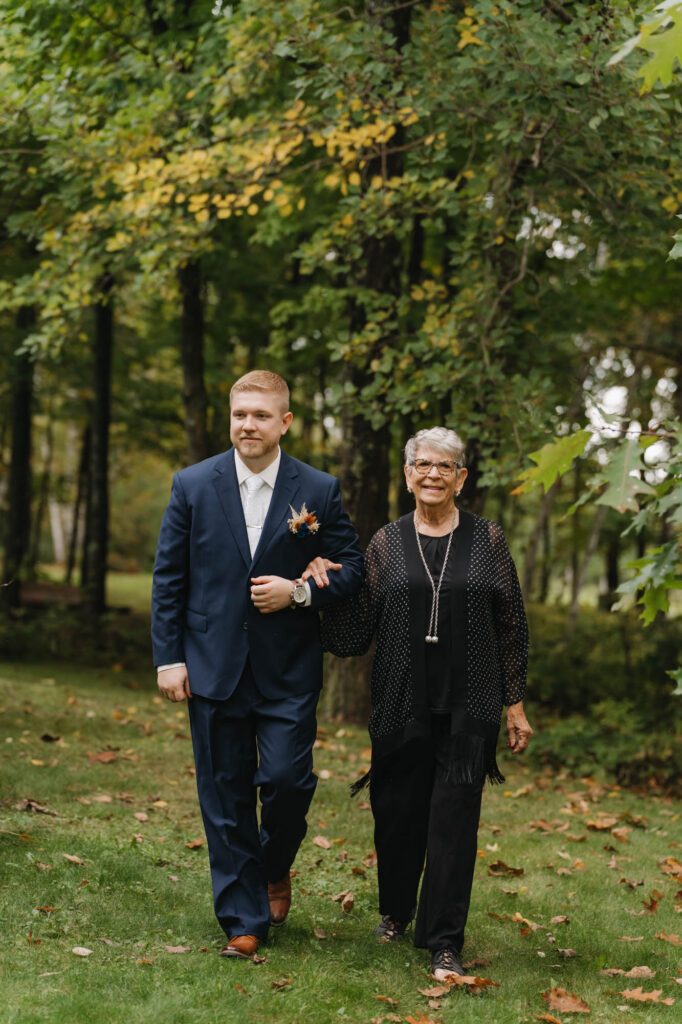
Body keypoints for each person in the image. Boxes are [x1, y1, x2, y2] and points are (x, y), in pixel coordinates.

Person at [151, 370, 363, 960]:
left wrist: (299, 592)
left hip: (287, 671)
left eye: (261, 415)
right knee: (224, 796)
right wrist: (169, 657)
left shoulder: (317, 490)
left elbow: (352, 567)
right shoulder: (192, 484)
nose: (248, 424)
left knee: (289, 783)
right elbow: (169, 578)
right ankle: (242, 920)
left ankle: (273, 867)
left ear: (285, 422)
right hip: (212, 663)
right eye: (240, 413)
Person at [308, 426, 532, 981]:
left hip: (469, 706)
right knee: (398, 817)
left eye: (445, 466)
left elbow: (512, 624)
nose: (433, 474)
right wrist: (323, 590)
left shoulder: (488, 540)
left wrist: (514, 702)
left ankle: (444, 940)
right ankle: (396, 910)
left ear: (462, 477)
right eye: (422, 465)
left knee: (454, 824)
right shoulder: (385, 542)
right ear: (408, 475)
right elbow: (357, 632)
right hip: (399, 705)